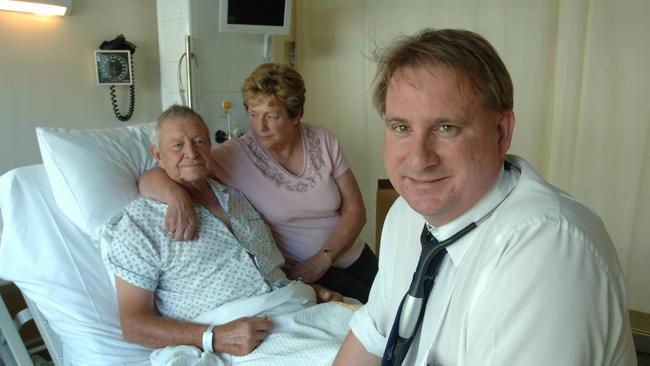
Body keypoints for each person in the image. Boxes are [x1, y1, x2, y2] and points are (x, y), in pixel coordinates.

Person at [333, 29, 637, 365]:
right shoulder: (405, 215)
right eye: (402, 128)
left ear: (501, 133)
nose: (419, 159)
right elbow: (374, 336)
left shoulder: (548, 249)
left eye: (446, 128)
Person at [105, 105, 341, 356]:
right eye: (177, 146)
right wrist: (212, 337)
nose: (191, 153)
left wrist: (311, 291)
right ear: (157, 155)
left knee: (377, 340)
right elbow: (133, 325)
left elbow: (268, 269)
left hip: (297, 310)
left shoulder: (235, 197)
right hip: (237, 337)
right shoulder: (139, 225)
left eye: (199, 142)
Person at [139, 63, 378, 303]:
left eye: (271, 116)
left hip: (353, 254)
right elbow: (154, 176)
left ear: (295, 115)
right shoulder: (233, 156)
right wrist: (176, 198)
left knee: (405, 308)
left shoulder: (323, 140)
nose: (259, 127)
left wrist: (325, 256)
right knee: (382, 323)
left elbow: (355, 209)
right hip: (306, 273)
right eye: (253, 114)